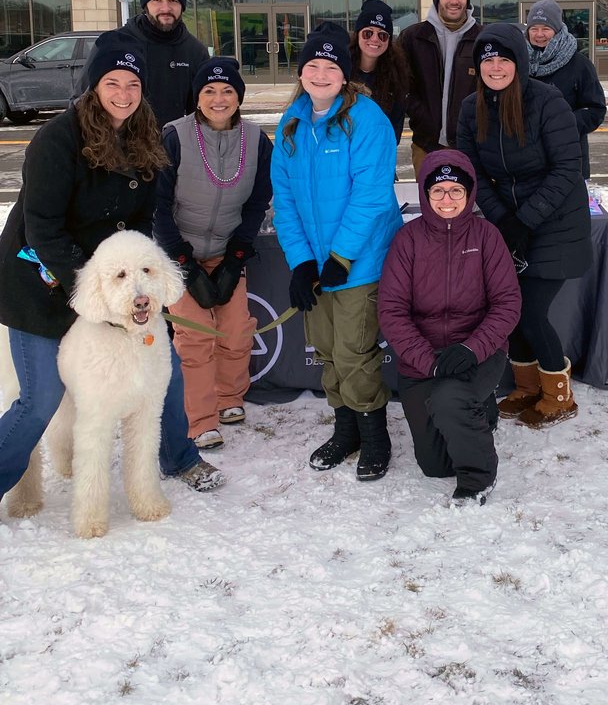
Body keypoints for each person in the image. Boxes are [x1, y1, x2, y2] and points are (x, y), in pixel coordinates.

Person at [0, 48, 222, 506]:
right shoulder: (57, 140)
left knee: (168, 372)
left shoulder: (144, 140)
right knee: (40, 398)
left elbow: (142, 225)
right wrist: (98, 290)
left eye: (133, 85)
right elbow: (42, 227)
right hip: (39, 283)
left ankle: (179, 457)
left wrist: (140, 281)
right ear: (93, 86)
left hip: (116, 284)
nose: (123, 94)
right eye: (112, 83)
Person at [271, 29, 402, 481]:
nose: (321, 74)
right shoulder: (291, 121)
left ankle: (374, 435)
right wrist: (301, 261)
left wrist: (342, 256)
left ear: (344, 75)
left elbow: (371, 195)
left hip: (359, 261)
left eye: (330, 67)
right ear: (301, 72)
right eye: (312, 67)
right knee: (326, 350)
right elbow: (284, 200)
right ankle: (345, 430)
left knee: (353, 352)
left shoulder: (366, 120)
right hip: (316, 264)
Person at [456, 23, 592, 427]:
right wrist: (503, 219)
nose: (496, 67)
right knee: (509, 309)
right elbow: (471, 171)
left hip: (557, 223)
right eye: (488, 60)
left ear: (519, 62)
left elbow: (568, 168)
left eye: (504, 59)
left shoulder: (547, 102)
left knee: (530, 311)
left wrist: (525, 220)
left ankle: (559, 396)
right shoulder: (471, 108)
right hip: (512, 223)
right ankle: (527, 387)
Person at [378, 151, 521, 505]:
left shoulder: (487, 236)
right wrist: (429, 361)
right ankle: (479, 409)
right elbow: (392, 311)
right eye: (438, 190)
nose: (447, 199)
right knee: (435, 465)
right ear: (425, 195)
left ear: (469, 193)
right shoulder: (407, 240)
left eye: (456, 190)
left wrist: (473, 348)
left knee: (449, 398)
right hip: (423, 359)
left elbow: (507, 303)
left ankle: (477, 478)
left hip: (477, 351)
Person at [154, 58, 273, 450]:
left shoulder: (256, 141)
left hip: (226, 250)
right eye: (209, 91)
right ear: (197, 97)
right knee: (195, 337)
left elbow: (257, 202)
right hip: (178, 254)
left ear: (239, 97)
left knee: (237, 329)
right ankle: (200, 418)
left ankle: (228, 399)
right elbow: (158, 206)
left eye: (227, 91)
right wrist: (185, 265)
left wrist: (236, 256)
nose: (218, 99)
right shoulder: (174, 136)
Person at [79, 0, 209, 128]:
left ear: (182, 6)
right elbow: (81, 99)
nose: (165, 8)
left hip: (171, 146)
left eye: (173, 1)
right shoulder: (112, 43)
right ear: (145, 5)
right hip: (118, 145)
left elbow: (200, 112)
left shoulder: (195, 51)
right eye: (157, 0)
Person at [401, 0, 481, 177]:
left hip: (471, 146)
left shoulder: (481, 37)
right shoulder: (413, 37)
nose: (454, 0)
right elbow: (403, 84)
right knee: (429, 203)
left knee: (471, 204)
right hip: (425, 145)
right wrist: (420, 115)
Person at [525, 0, 607, 178]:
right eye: (534, 28)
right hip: (527, 161)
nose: (539, 34)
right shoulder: (518, 62)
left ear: (558, 30)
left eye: (545, 28)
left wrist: (563, 125)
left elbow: (596, 110)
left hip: (568, 158)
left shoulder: (579, 64)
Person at [349, 0, 409, 144]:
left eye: (382, 35)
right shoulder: (341, 70)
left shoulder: (396, 77)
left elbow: (394, 129)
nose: (375, 39)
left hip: (378, 155)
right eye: (368, 33)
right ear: (357, 35)